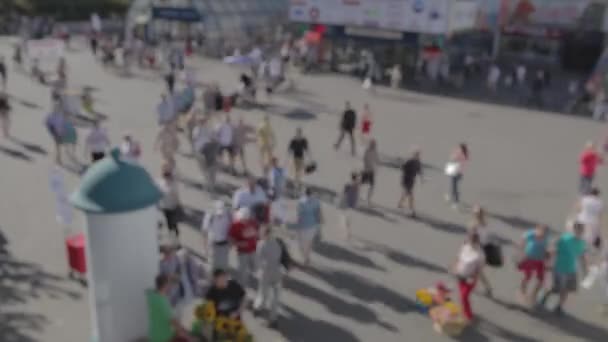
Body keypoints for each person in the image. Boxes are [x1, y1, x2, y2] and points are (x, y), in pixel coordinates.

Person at [539, 223, 588, 315]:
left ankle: (559, 307)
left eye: (581, 231)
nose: (579, 233)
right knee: (554, 288)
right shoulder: (564, 239)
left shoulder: (581, 243)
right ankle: (543, 298)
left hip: (571, 270)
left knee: (566, 290)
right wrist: (547, 258)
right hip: (559, 268)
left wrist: (585, 271)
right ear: (574, 230)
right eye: (577, 230)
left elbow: (582, 257)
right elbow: (553, 248)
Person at [254, 226, 284, 328]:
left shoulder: (261, 244)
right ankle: (273, 319)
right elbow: (280, 256)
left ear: (263, 234)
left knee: (263, 294)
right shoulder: (277, 243)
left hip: (266, 273)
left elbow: (258, 260)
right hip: (277, 273)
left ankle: (258, 308)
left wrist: (259, 270)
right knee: (275, 297)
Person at [149, 274, 194, 342]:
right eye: (170, 284)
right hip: (163, 337)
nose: (172, 286)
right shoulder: (162, 301)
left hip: (153, 334)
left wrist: (169, 278)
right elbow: (173, 322)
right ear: (166, 285)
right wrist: (188, 337)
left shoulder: (152, 296)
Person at [452, 231, 485, 322]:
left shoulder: (480, 254)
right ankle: (465, 311)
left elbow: (479, 268)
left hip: (470, 278)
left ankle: (469, 315)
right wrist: (455, 267)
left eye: (473, 241)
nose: (471, 242)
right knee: (462, 296)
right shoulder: (465, 247)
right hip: (460, 275)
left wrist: (474, 278)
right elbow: (458, 257)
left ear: (477, 241)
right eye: (470, 240)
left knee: (464, 296)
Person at [517, 224, 549, 305]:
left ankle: (533, 296)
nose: (542, 234)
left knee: (541, 279)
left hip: (540, 260)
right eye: (541, 232)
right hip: (529, 258)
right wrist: (520, 255)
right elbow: (522, 244)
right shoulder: (530, 234)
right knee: (527, 276)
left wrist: (547, 258)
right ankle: (522, 292)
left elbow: (546, 249)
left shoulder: (546, 238)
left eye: (545, 232)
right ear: (537, 230)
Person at [229, 207, 260, 289]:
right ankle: (242, 289)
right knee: (243, 273)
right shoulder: (235, 225)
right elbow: (231, 239)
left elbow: (258, 233)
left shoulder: (253, 222)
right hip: (242, 252)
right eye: (243, 219)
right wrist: (239, 243)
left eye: (246, 218)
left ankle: (251, 276)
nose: (245, 221)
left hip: (253, 250)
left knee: (256, 268)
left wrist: (257, 237)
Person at [294, 188, 323, 265]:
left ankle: (305, 257)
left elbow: (299, 215)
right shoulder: (316, 201)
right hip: (312, 226)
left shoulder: (301, 201)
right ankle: (307, 257)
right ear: (311, 193)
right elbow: (319, 214)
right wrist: (319, 226)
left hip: (303, 226)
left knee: (301, 244)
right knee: (308, 243)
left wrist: (297, 225)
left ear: (305, 193)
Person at [469, 206, 494, 296]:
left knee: (477, 270)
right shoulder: (485, 223)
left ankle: (488, 288)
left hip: (478, 249)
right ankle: (477, 286)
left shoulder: (474, 225)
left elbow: (472, 238)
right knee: (476, 269)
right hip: (485, 248)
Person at [201, 201, 232, 272]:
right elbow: (204, 232)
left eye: (221, 213)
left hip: (224, 244)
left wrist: (230, 243)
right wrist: (205, 247)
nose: (220, 215)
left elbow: (231, 229)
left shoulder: (228, 215)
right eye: (218, 213)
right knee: (212, 266)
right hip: (213, 244)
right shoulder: (209, 216)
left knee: (224, 266)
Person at [157, 164, 181, 238]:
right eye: (164, 175)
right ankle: (158, 235)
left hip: (171, 208)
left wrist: (177, 205)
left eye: (167, 176)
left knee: (171, 224)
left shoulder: (173, 185)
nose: (166, 178)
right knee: (159, 223)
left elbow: (176, 197)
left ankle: (175, 235)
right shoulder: (160, 182)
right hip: (162, 207)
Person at [398, 149, 423, 217]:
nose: (418, 156)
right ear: (413, 155)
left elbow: (420, 171)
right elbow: (402, 167)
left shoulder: (418, 163)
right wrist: (402, 164)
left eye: (418, 155)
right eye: (416, 155)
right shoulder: (409, 161)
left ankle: (400, 204)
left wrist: (422, 179)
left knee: (406, 193)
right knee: (410, 195)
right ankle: (412, 211)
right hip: (406, 180)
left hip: (411, 181)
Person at [445, 143, 469, 209]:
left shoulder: (460, 154)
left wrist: (455, 154)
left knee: (454, 187)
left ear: (461, 148)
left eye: (459, 148)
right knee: (454, 186)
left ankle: (456, 201)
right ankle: (451, 196)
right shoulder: (465, 154)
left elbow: (452, 158)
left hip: (455, 172)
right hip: (459, 173)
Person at [287, 127, 310, 192]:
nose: (299, 134)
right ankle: (296, 182)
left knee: (300, 170)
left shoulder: (303, 140)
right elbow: (290, 149)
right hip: (295, 157)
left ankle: (297, 181)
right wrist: (288, 156)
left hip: (301, 157)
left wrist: (309, 157)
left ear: (301, 133)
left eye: (299, 133)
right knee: (297, 170)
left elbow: (306, 148)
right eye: (298, 133)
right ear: (296, 133)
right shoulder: (293, 140)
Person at [339, 172, 360, 241]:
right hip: (351, 204)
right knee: (347, 219)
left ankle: (347, 232)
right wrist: (356, 203)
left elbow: (343, 194)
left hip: (346, 204)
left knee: (345, 219)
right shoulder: (356, 185)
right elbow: (356, 195)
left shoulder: (348, 185)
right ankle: (347, 232)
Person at [361, 139, 379, 206]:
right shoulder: (367, 151)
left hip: (371, 171)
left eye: (374, 145)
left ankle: (368, 199)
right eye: (373, 144)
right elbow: (365, 159)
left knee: (372, 186)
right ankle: (359, 197)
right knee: (361, 184)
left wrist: (376, 166)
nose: (374, 146)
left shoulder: (375, 152)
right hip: (366, 171)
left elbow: (377, 160)